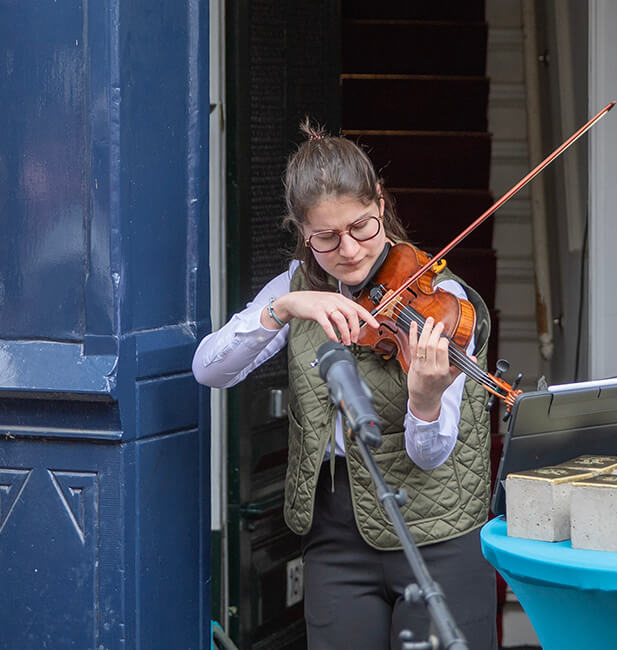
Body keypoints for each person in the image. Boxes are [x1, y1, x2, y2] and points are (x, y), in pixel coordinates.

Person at [192, 120, 497, 649]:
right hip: (334, 536)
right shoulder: (294, 287)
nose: (350, 250)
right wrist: (284, 308)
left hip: (436, 533)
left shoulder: (440, 298)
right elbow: (209, 369)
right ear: (302, 230)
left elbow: (431, 456)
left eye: (362, 227)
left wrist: (425, 400)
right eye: (326, 238)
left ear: (380, 203)